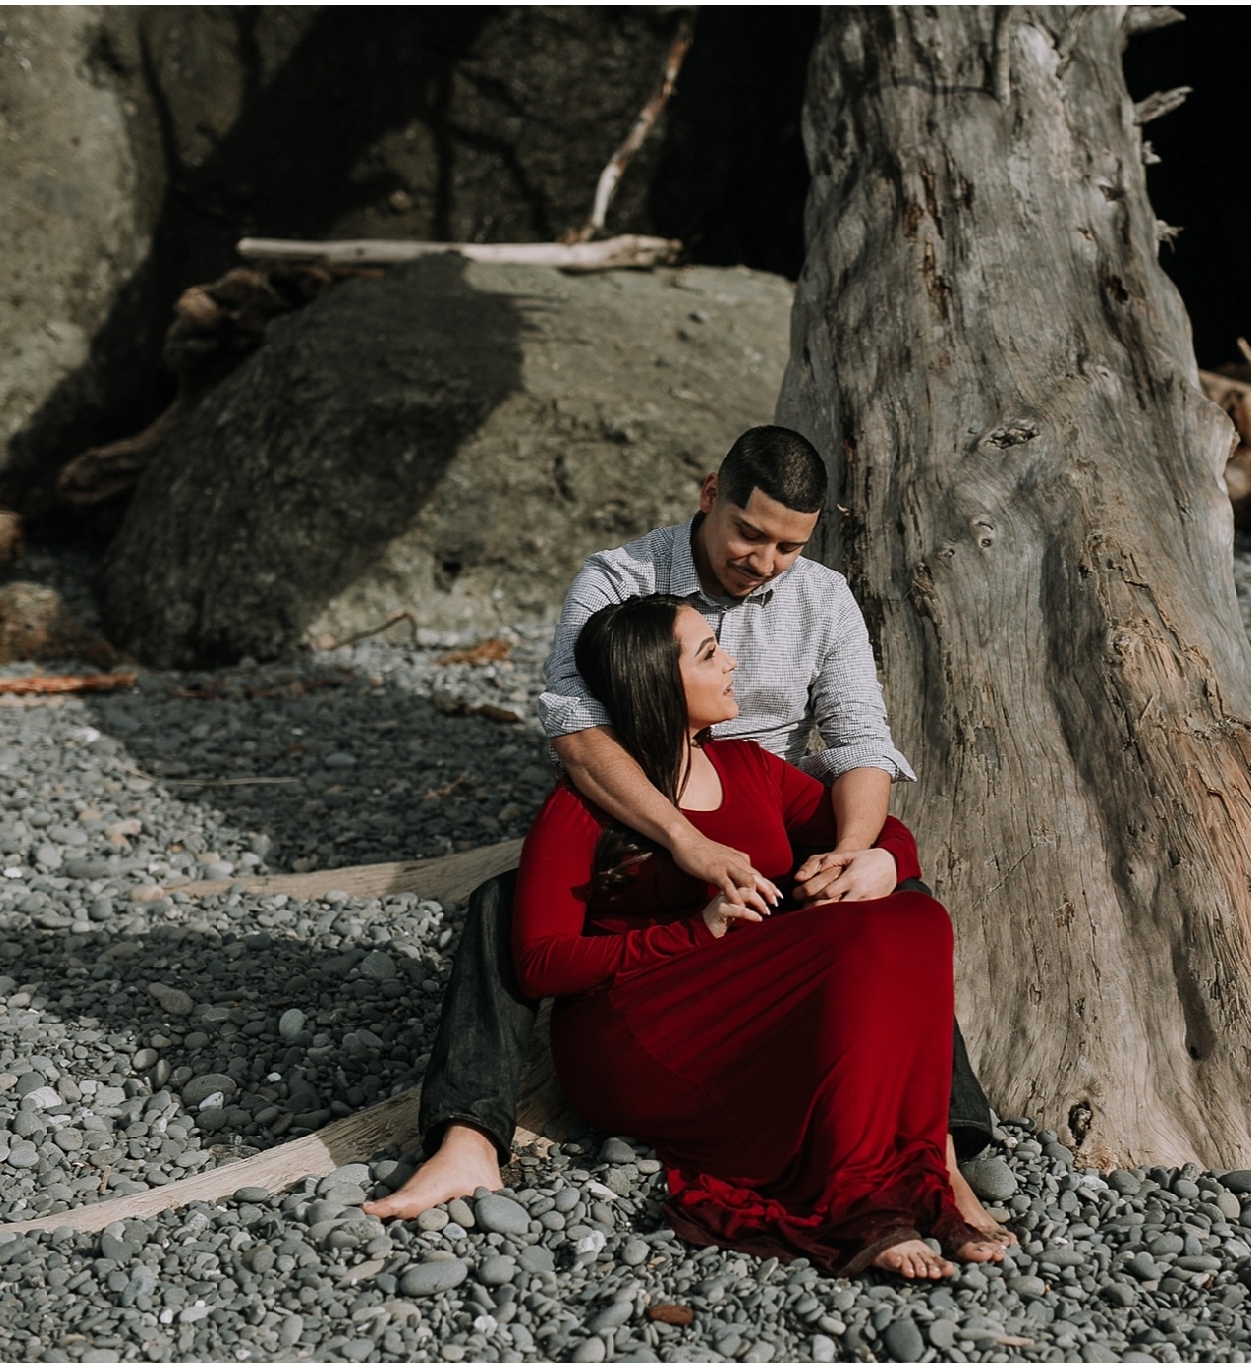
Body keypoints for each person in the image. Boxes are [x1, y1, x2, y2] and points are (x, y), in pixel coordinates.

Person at [369, 426, 1002, 1241]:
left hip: (772, 806)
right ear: (711, 494)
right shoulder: (621, 578)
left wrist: (856, 852)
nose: (766, 561)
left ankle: (940, 1144)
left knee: (898, 899)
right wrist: (682, 838)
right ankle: (466, 1136)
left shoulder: (821, 597)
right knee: (506, 908)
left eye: (789, 546)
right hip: (639, 809)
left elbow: (858, 740)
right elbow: (575, 730)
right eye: (751, 534)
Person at [511, 594, 994, 1277]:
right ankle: (866, 1207)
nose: (731, 662)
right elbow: (540, 963)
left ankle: (920, 1181)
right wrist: (692, 933)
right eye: (708, 653)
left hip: (747, 1010)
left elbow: (883, 830)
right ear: (656, 682)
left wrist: (879, 858)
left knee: (915, 916)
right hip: (636, 1032)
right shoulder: (584, 804)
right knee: (851, 942)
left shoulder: (749, 768)